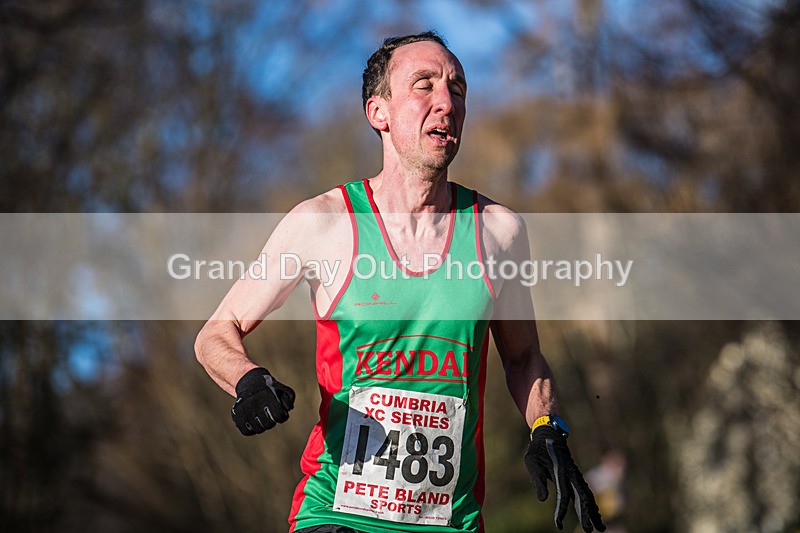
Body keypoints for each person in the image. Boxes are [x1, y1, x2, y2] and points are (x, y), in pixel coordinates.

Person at [195, 31, 605, 533]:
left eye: (457, 89)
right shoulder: (324, 223)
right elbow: (217, 331)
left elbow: (523, 358)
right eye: (424, 85)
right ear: (379, 112)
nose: (446, 103)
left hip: (450, 522)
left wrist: (548, 427)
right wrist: (247, 379)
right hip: (335, 514)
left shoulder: (498, 232)